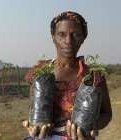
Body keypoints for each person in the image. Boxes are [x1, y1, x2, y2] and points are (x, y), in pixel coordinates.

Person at [23, 11, 112, 140]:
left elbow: (107, 113)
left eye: (75, 34)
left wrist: (88, 127)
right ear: (53, 37)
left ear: (83, 37)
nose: (68, 41)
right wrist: (33, 125)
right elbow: (33, 107)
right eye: (61, 34)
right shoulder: (40, 71)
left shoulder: (93, 75)